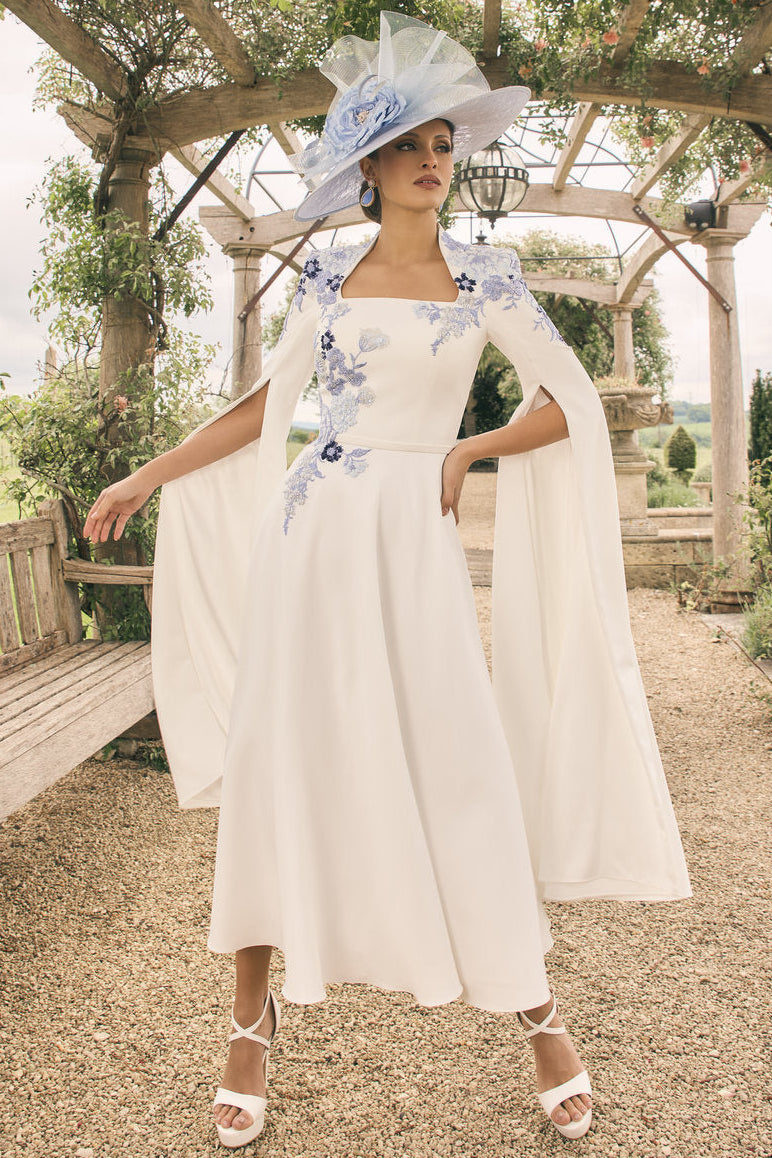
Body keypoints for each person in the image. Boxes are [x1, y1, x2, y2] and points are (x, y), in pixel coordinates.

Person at [84, 11, 691, 1149]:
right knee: (282, 763)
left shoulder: (487, 278)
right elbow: (268, 410)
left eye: (446, 144)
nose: (433, 160)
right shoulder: (319, 266)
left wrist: (465, 450)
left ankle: (539, 1016)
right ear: (367, 161)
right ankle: (250, 1029)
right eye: (411, 142)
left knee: (455, 760)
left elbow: (569, 402)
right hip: (311, 538)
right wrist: (144, 475)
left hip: (411, 543)